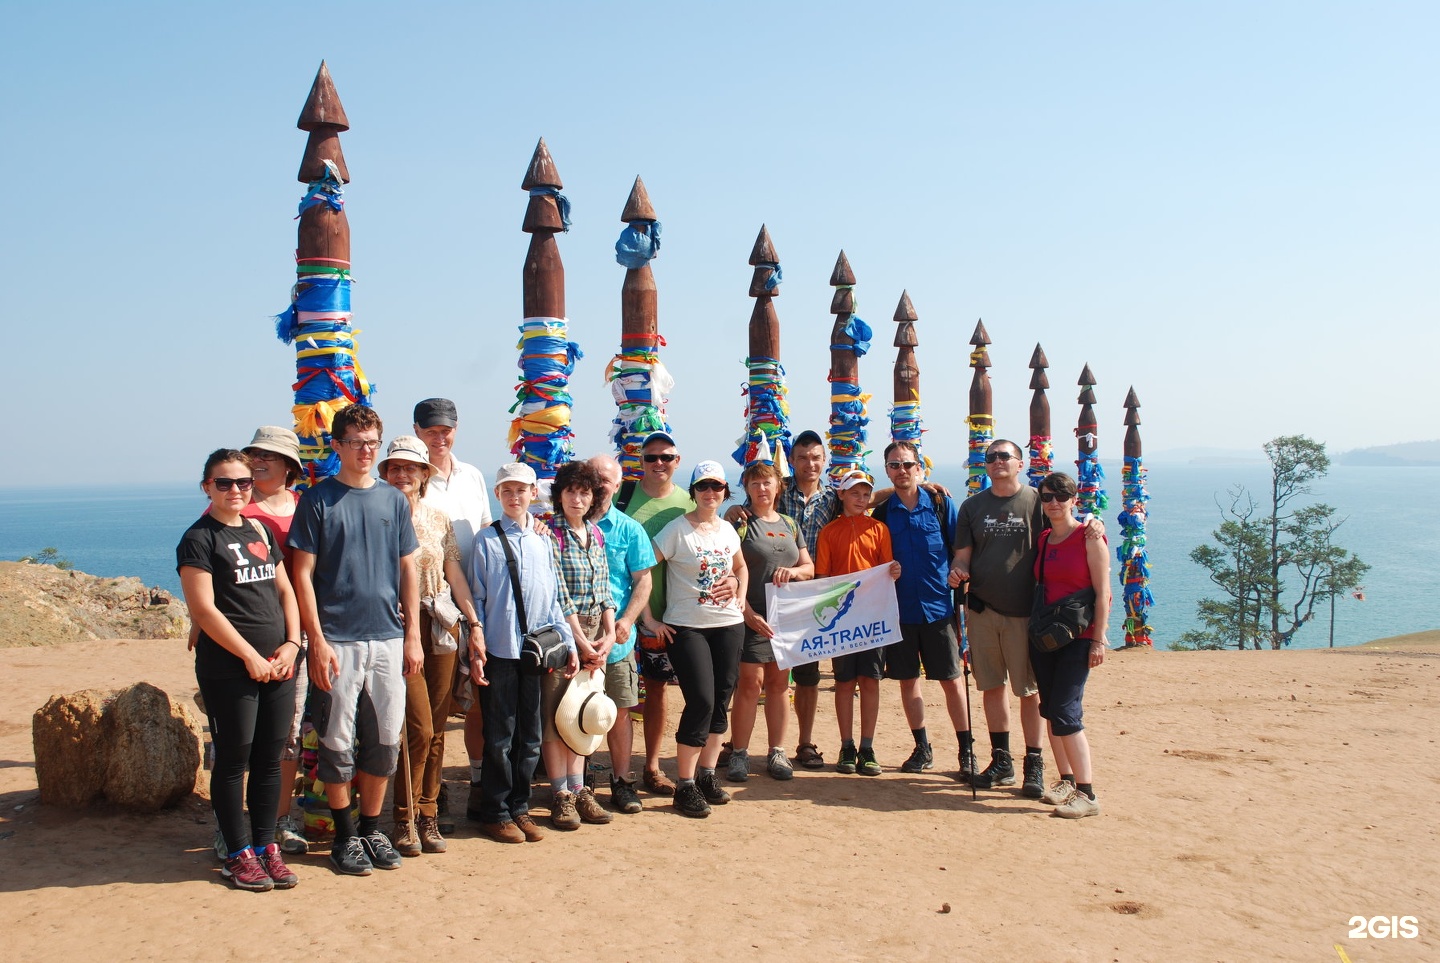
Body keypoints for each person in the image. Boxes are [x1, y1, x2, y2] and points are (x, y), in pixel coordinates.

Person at [289, 405, 422, 877]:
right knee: (336, 741)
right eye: (356, 442)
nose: (365, 452)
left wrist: (412, 637)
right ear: (338, 446)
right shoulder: (318, 500)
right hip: (338, 640)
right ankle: (345, 836)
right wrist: (317, 641)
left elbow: (409, 567)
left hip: (388, 637)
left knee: (385, 740)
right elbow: (301, 575)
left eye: (372, 443)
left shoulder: (393, 501)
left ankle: (370, 830)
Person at [179, 448, 302, 891]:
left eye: (243, 482)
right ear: (207, 487)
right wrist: (249, 656)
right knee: (233, 760)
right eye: (224, 482)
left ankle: (266, 845)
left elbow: (285, 590)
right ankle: (237, 853)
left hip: (279, 663)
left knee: (271, 759)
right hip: (229, 668)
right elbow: (204, 609)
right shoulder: (198, 538)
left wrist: (292, 644)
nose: (235, 490)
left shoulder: (259, 530)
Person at [948, 438, 1100, 796]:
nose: (998, 461)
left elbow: (1067, 522)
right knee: (990, 687)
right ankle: (1002, 761)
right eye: (992, 457)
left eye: (1005, 456)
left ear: (1020, 463)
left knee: (1028, 690)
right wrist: (956, 570)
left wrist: (1094, 522)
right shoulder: (972, 507)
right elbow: (963, 556)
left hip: (1028, 614)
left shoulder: (1037, 500)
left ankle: (1034, 762)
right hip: (982, 609)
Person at [377, 436, 480, 856]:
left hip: (441, 621)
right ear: (385, 474)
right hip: (399, 623)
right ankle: (403, 818)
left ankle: (428, 813)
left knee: (437, 727)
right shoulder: (376, 516)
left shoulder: (440, 519)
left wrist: (473, 623)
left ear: (424, 475)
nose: (402, 474)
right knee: (415, 727)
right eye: (395, 468)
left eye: (411, 468)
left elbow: (454, 574)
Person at [467, 462, 579, 844]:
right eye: (507, 491)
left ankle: (520, 807)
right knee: (500, 736)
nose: (515, 497)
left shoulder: (542, 540)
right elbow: (478, 598)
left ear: (534, 494)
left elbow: (551, 599)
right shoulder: (486, 541)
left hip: (535, 651)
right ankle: (495, 812)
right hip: (499, 649)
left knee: (529, 734)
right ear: (497, 495)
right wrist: (477, 645)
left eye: (521, 490)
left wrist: (565, 642)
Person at [622, 431, 736, 795]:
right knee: (625, 696)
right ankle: (607, 774)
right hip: (644, 617)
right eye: (651, 457)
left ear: (677, 462)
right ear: (641, 461)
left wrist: (736, 582)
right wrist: (641, 616)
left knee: (666, 693)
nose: (659, 463)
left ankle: (662, 768)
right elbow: (634, 562)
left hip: (694, 621)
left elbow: (735, 562)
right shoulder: (627, 499)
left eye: (666, 457)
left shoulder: (695, 508)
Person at [645, 461, 747, 817]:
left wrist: (739, 591)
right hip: (687, 627)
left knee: (721, 700)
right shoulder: (676, 530)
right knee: (701, 699)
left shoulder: (728, 530)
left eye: (717, 487)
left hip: (729, 624)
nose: (710, 493)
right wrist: (648, 619)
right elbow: (645, 568)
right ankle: (684, 784)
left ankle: (706, 774)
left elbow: (741, 566)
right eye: (703, 486)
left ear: (725, 491)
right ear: (693, 491)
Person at [410, 398, 493, 823]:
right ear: (417, 430)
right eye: (431, 431)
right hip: (426, 607)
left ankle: (477, 784)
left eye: (446, 430)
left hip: (470, 599)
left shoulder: (474, 476)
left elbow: (483, 531)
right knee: (429, 709)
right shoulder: (405, 480)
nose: (439, 438)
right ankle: (431, 792)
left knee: (474, 697)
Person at [873, 441, 975, 781]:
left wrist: (958, 570)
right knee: (907, 682)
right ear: (887, 470)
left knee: (951, 681)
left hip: (938, 609)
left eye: (907, 464)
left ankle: (966, 750)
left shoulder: (941, 504)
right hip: (899, 611)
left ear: (920, 467)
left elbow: (961, 548)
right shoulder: (883, 511)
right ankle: (922, 747)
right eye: (894, 465)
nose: (902, 470)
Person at [539, 459, 617, 830]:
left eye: (584, 491)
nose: (577, 498)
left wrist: (610, 633)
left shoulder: (596, 534)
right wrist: (581, 642)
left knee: (585, 714)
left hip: (594, 636)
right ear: (559, 495)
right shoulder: (549, 533)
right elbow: (559, 593)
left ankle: (579, 787)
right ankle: (562, 795)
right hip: (562, 634)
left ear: (593, 498)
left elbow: (604, 590)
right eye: (570, 490)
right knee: (557, 715)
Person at [728, 460, 814, 782]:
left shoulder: (791, 524)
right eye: (754, 484)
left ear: (778, 487)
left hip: (786, 618)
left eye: (767, 483)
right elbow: (729, 569)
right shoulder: (740, 523)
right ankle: (739, 753)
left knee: (780, 686)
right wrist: (747, 612)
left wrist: (792, 572)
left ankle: (777, 751)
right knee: (750, 684)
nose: (762, 489)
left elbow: (809, 568)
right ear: (747, 488)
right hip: (750, 615)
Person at [1032, 472, 1111, 817]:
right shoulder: (1045, 539)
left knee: (1066, 712)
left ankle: (1087, 793)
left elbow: (1103, 593)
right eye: (1047, 496)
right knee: (1050, 709)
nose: (1053, 503)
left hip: (1079, 638)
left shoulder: (1090, 537)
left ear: (1074, 500)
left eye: (1060, 497)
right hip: (1047, 636)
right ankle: (1065, 779)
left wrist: (1098, 640)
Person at [814, 470, 901, 776]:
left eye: (865, 494)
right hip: (842, 621)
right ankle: (846, 745)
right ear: (841, 495)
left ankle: (867, 746)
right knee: (844, 682)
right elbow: (823, 577)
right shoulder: (829, 532)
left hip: (872, 617)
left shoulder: (879, 529)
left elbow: (886, 568)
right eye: (854, 493)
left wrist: (894, 572)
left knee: (870, 681)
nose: (861, 500)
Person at [587, 454, 657, 814]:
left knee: (619, 712)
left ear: (618, 486)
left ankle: (621, 780)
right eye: (594, 478)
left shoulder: (630, 529)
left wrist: (628, 620)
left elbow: (643, 579)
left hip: (616, 642)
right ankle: (578, 783)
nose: (600, 485)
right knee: (571, 709)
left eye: (607, 480)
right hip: (576, 639)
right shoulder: (562, 524)